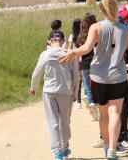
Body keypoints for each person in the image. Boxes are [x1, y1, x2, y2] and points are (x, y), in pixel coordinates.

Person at [60, 0, 128, 160]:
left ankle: (106, 147)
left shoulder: (96, 27)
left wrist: (73, 51)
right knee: (115, 112)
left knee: (103, 114)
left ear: (101, 10)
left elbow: (86, 48)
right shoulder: (125, 29)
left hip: (98, 77)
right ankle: (112, 148)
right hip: (118, 76)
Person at [30, 30, 79, 160]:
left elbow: (37, 71)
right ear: (62, 41)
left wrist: (33, 87)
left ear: (49, 42)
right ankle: (65, 148)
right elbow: (76, 76)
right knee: (65, 121)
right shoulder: (69, 54)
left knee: (53, 121)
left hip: (49, 91)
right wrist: (75, 91)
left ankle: (57, 152)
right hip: (66, 91)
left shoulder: (45, 54)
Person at [78, 13, 99, 121]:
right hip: (95, 62)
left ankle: (90, 102)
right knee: (95, 84)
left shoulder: (81, 35)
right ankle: (95, 102)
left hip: (84, 63)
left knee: (87, 85)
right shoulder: (96, 32)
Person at [68, 18, 83, 109]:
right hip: (84, 58)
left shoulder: (72, 36)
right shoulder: (83, 35)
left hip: (75, 59)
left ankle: (78, 101)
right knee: (84, 79)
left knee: (76, 79)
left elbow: (69, 48)